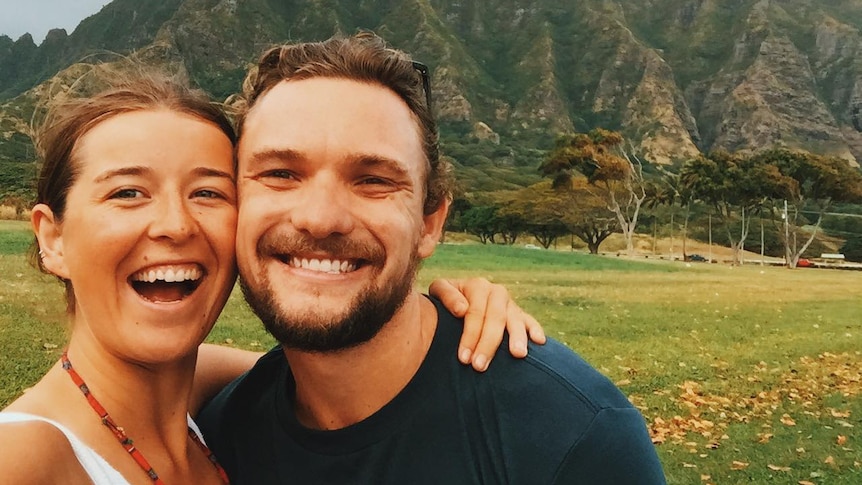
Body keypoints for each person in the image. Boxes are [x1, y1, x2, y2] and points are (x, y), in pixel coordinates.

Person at [0, 63, 545, 484]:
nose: (174, 224)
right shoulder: (25, 458)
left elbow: (335, 373)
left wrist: (448, 315)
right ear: (53, 237)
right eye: (127, 193)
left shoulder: (206, 397)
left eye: (208, 192)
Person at [198, 31, 666, 484]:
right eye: (280, 173)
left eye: (374, 180)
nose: (320, 219)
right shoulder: (221, 435)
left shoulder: (571, 439)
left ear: (429, 224)